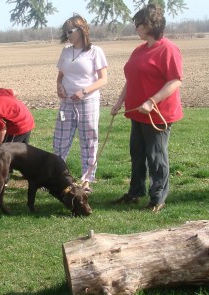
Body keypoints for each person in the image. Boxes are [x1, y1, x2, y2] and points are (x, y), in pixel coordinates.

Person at [110, 4, 183, 212]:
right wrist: (119, 102)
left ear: (149, 25)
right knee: (137, 153)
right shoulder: (140, 50)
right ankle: (135, 192)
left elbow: (175, 80)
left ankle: (158, 198)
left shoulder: (168, 49)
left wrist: (152, 101)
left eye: (138, 24)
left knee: (156, 156)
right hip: (137, 114)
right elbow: (131, 79)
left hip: (157, 115)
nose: (136, 28)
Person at [54, 14, 108, 193]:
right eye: (66, 31)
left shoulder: (95, 52)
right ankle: (56, 178)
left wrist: (84, 91)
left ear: (81, 30)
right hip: (67, 103)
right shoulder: (66, 51)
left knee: (89, 141)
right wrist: (59, 87)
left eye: (70, 31)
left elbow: (103, 79)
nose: (67, 34)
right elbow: (61, 75)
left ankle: (86, 181)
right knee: (60, 141)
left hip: (88, 102)